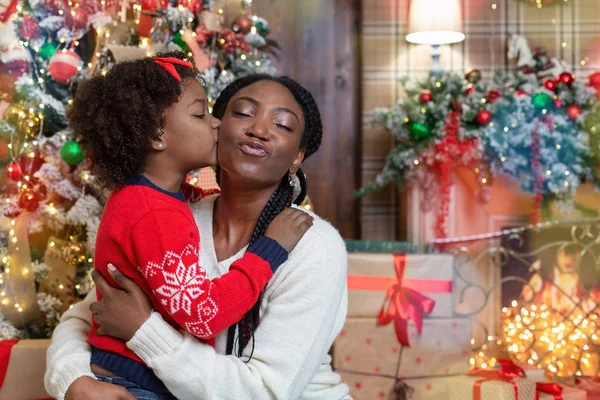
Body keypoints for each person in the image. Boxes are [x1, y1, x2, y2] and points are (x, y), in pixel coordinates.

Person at [45, 73, 351, 400]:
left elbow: (264, 392)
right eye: (244, 113)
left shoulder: (312, 245)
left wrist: (143, 331)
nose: (259, 130)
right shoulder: (171, 215)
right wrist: (75, 381)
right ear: (216, 128)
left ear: (297, 157)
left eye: (283, 125)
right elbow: (87, 314)